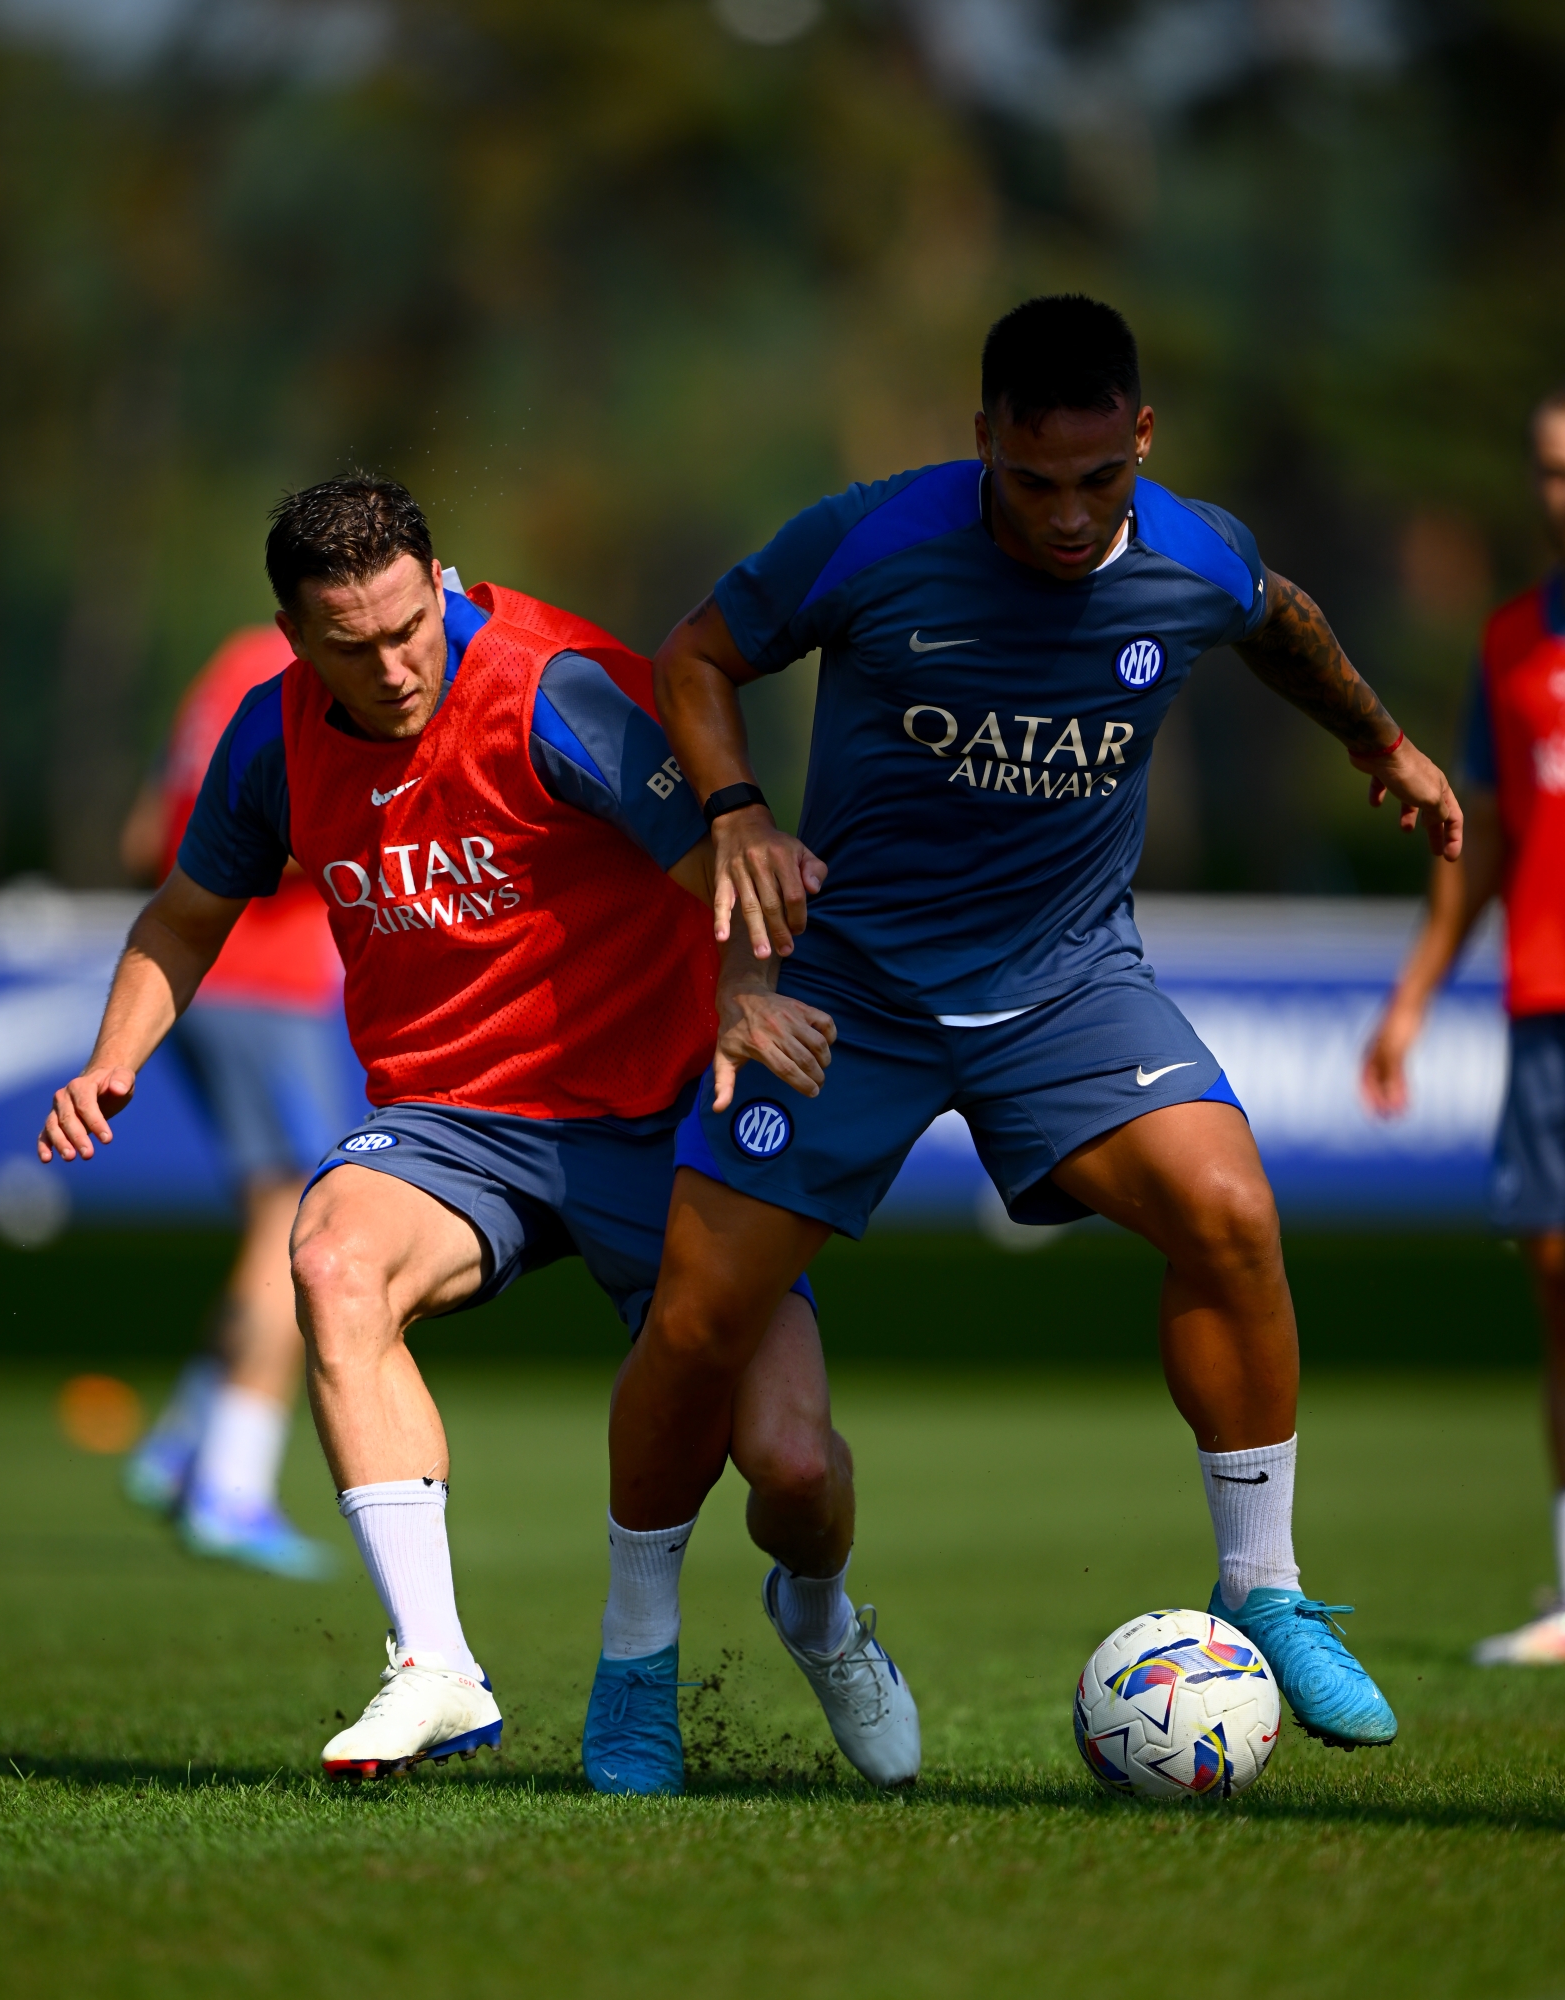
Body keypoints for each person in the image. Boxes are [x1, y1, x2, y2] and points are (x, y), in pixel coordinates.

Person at [607, 293, 1466, 1766]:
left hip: (1067, 984)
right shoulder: (872, 540)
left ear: (1142, 440)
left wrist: (1379, 740)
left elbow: (1288, 624)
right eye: (1034, 482)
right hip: (849, 988)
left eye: (1100, 482)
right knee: (695, 1325)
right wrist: (739, 813)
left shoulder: (1194, 552)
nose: (1071, 521)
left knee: (1229, 1210)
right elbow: (694, 657)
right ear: (983, 437)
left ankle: (1267, 1587)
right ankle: (635, 1668)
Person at [38, 475, 919, 1793]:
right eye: (353, 645)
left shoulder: (552, 692)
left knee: (790, 1465)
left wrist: (745, 1005)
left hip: (668, 1113)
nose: (396, 668)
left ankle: (820, 1611)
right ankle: (437, 1667)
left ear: (438, 581)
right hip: (455, 1125)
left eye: (411, 628)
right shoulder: (271, 739)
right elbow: (182, 915)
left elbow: (730, 874)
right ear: (292, 637)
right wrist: (114, 1060)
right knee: (331, 1259)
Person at [1363, 388, 1565, 1666]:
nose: (1561, 490)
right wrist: (1413, 992)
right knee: (1557, 1290)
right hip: (1545, 1002)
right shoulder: (1509, 641)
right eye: (1548, 468)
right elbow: (1480, 838)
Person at [119, 626, 352, 1581]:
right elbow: (261, 836)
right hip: (265, 986)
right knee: (305, 1218)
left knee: (286, 1208)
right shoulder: (297, 678)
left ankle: (186, 1441)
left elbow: (144, 841)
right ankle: (230, 1485)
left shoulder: (225, 667)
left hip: (213, 982)